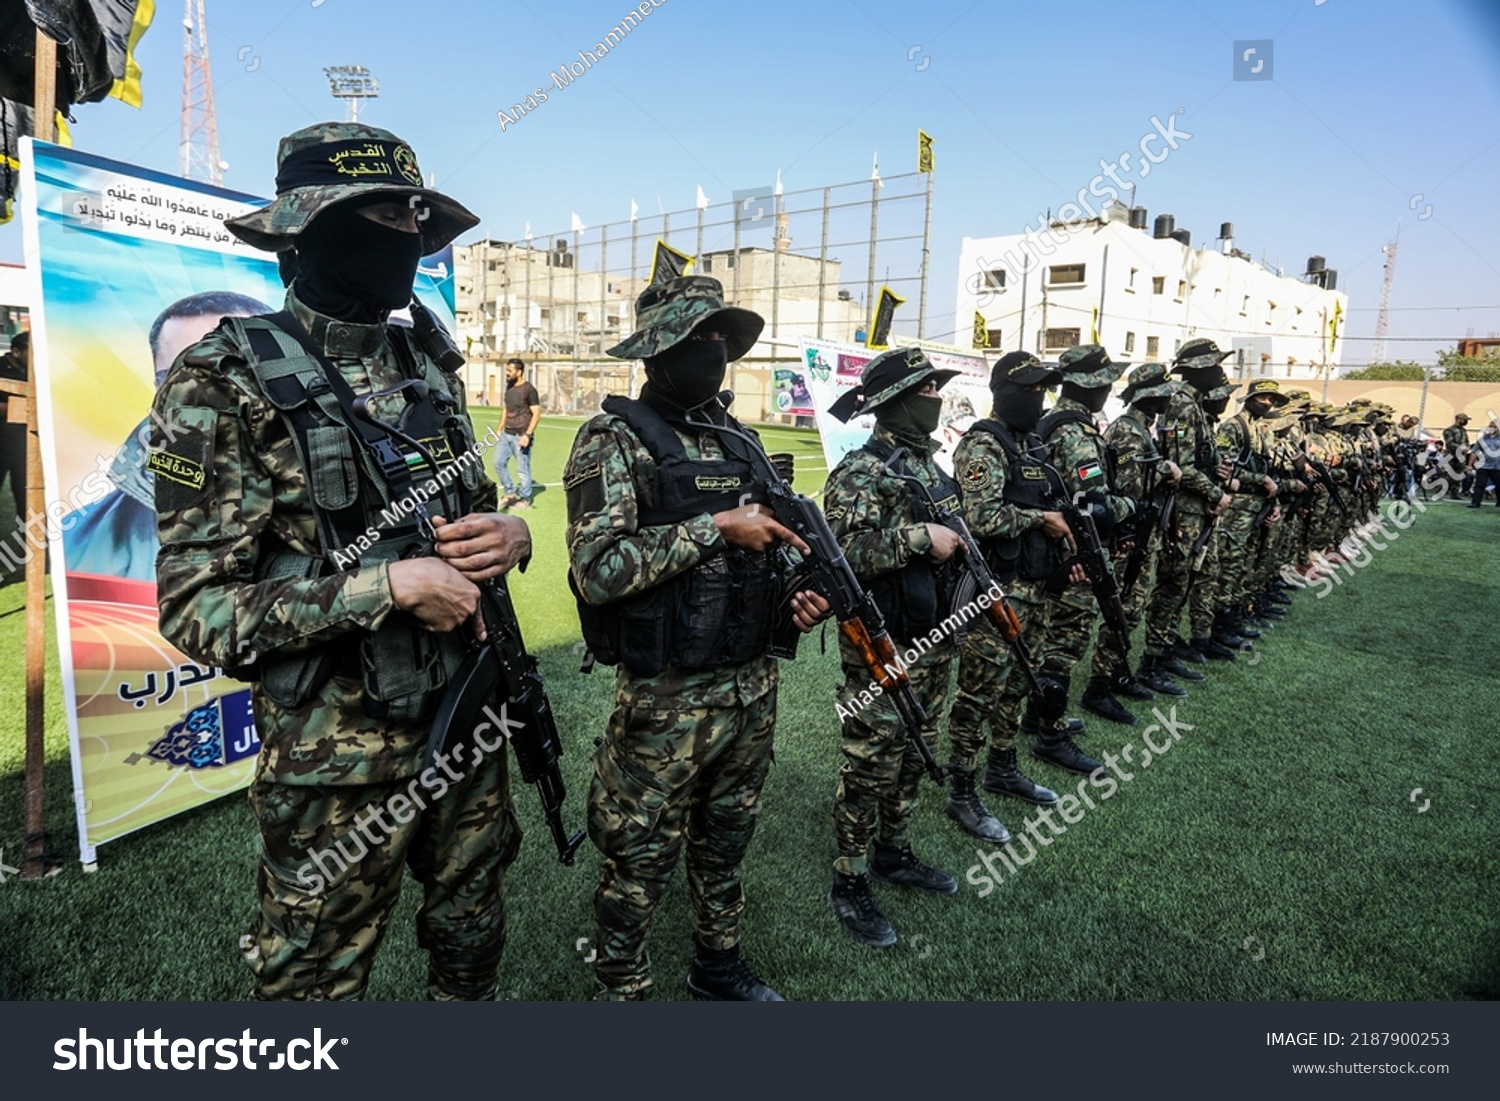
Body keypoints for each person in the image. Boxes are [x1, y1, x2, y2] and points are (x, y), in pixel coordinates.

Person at [153, 122, 532, 1000]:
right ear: (307, 231)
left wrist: (512, 536)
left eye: (414, 214)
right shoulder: (219, 381)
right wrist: (386, 587)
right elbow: (196, 609)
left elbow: (473, 513)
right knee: (313, 986)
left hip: (467, 716)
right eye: (381, 214)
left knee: (471, 941)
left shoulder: (426, 366)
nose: (405, 232)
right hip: (334, 766)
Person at [564, 274, 829, 1001]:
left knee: (727, 841)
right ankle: (621, 984)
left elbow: (771, 552)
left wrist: (795, 596)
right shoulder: (612, 438)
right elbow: (597, 569)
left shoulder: (738, 440)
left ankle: (716, 965)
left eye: (721, 337)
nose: (712, 350)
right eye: (697, 337)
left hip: (750, 687)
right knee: (639, 853)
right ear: (658, 348)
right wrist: (714, 527)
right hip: (666, 700)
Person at [820, 346, 963, 948]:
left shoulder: (934, 470)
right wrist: (914, 538)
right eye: (927, 388)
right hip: (884, 646)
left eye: (937, 387)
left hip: (936, 641)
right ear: (898, 400)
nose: (936, 395)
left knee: (915, 752)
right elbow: (835, 556)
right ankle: (849, 879)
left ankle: (893, 851)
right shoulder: (860, 472)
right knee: (871, 761)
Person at [943, 351, 1087, 846]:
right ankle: (961, 787)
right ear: (1001, 392)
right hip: (994, 596)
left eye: (1041, 391)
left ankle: (1003, 767)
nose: (1037, 399)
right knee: (978, 694)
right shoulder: (984, 445)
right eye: (1026, 390)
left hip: (1036, 591)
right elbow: (979, 518)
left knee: (1016, 687)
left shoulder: (1034, 448)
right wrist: (1039, 521)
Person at [63, 291, 271, 581]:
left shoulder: (340, 481)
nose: (197, 392)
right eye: (174, 377)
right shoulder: (76, 544)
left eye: (231, 370)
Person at [1037, 344, 1141, 728]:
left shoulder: (1050, 423)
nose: (1109, 391)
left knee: (1052, 635)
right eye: (1104, 384)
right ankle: (1049, 726)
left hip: (1057, 548)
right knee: (1065, 639)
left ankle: (1038, 716)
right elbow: (1094, 507)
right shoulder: (1076, 435)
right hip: (1076, 551)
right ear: (1088, 387)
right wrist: (1132, 508)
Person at [495, 357, 541, 509]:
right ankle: (510, 493)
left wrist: (527, 435)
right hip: (507, 434)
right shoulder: (509, 387)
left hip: (521, 435)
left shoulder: (529, 390)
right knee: (498, 463)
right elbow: (506, 409)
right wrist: (499, 428)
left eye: (510, 370)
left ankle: (525, 498)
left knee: (522, 469)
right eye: (506, 370)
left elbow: (537, 413)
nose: (507, 373)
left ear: (519, 372)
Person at [0, 330, 28, 525]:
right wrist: (22, 409)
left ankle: (31, 547)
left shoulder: (34, 372)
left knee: (27, 498)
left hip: (23, 446)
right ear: (16, 352)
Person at [1468, 418, 1500, 508]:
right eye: (1490, 426)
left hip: (1498, 467)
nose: (1492, 428)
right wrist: (1470, 465)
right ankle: (1475, 503)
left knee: (1499, 485)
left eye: (1495, 427)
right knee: (1479, 485)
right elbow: (1474, 451)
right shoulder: (1482, 439)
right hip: (1483, 466)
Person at [1442, 413, 1471, 501]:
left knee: (1459, 474)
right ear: (1458, 419)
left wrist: (1466, 448)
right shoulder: (1449, 430)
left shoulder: (1464, 431)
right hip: (1451, 455)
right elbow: (1449, 443)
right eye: (1464, 419)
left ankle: (1455, 492)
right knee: (1447, 474)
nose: (1465, 422)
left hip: (1461, 456)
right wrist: (1461, 448)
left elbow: (1466, 441)